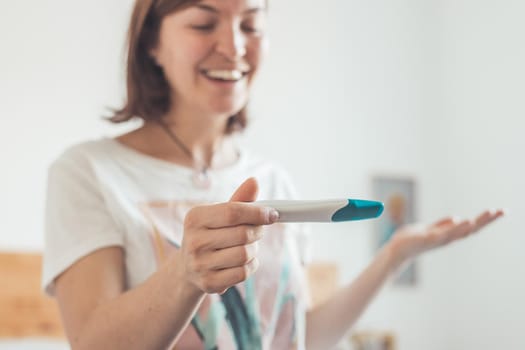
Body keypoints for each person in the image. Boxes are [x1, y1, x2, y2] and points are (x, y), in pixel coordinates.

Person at [42, 0, 504, 349]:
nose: (235, 46)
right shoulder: (89, 173)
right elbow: (92, 342)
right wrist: (185, 274)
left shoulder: (273, 180)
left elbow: (299, 334)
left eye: (250, 25)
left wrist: (394, 257)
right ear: (151, 44)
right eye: (204, 24)